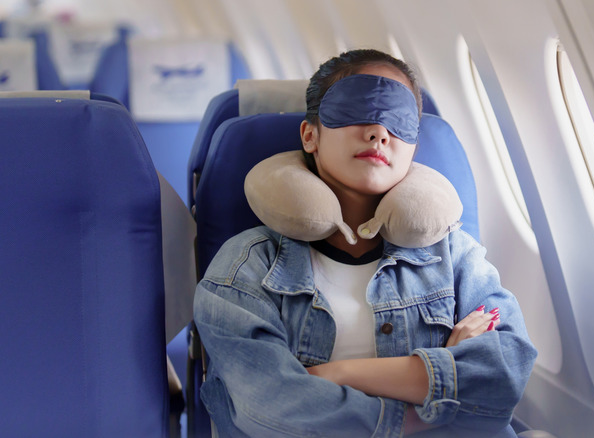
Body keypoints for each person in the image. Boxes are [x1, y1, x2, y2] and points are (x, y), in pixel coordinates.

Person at [193, 49, 537, 437]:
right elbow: (271, 409)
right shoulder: (246, 268)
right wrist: (431, 406)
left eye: (398, 119)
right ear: (310, 135)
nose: (378, 132)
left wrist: (336, 373)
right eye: (355, 109)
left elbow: (506, 373)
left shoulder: (454, 255)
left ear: (414, 149)